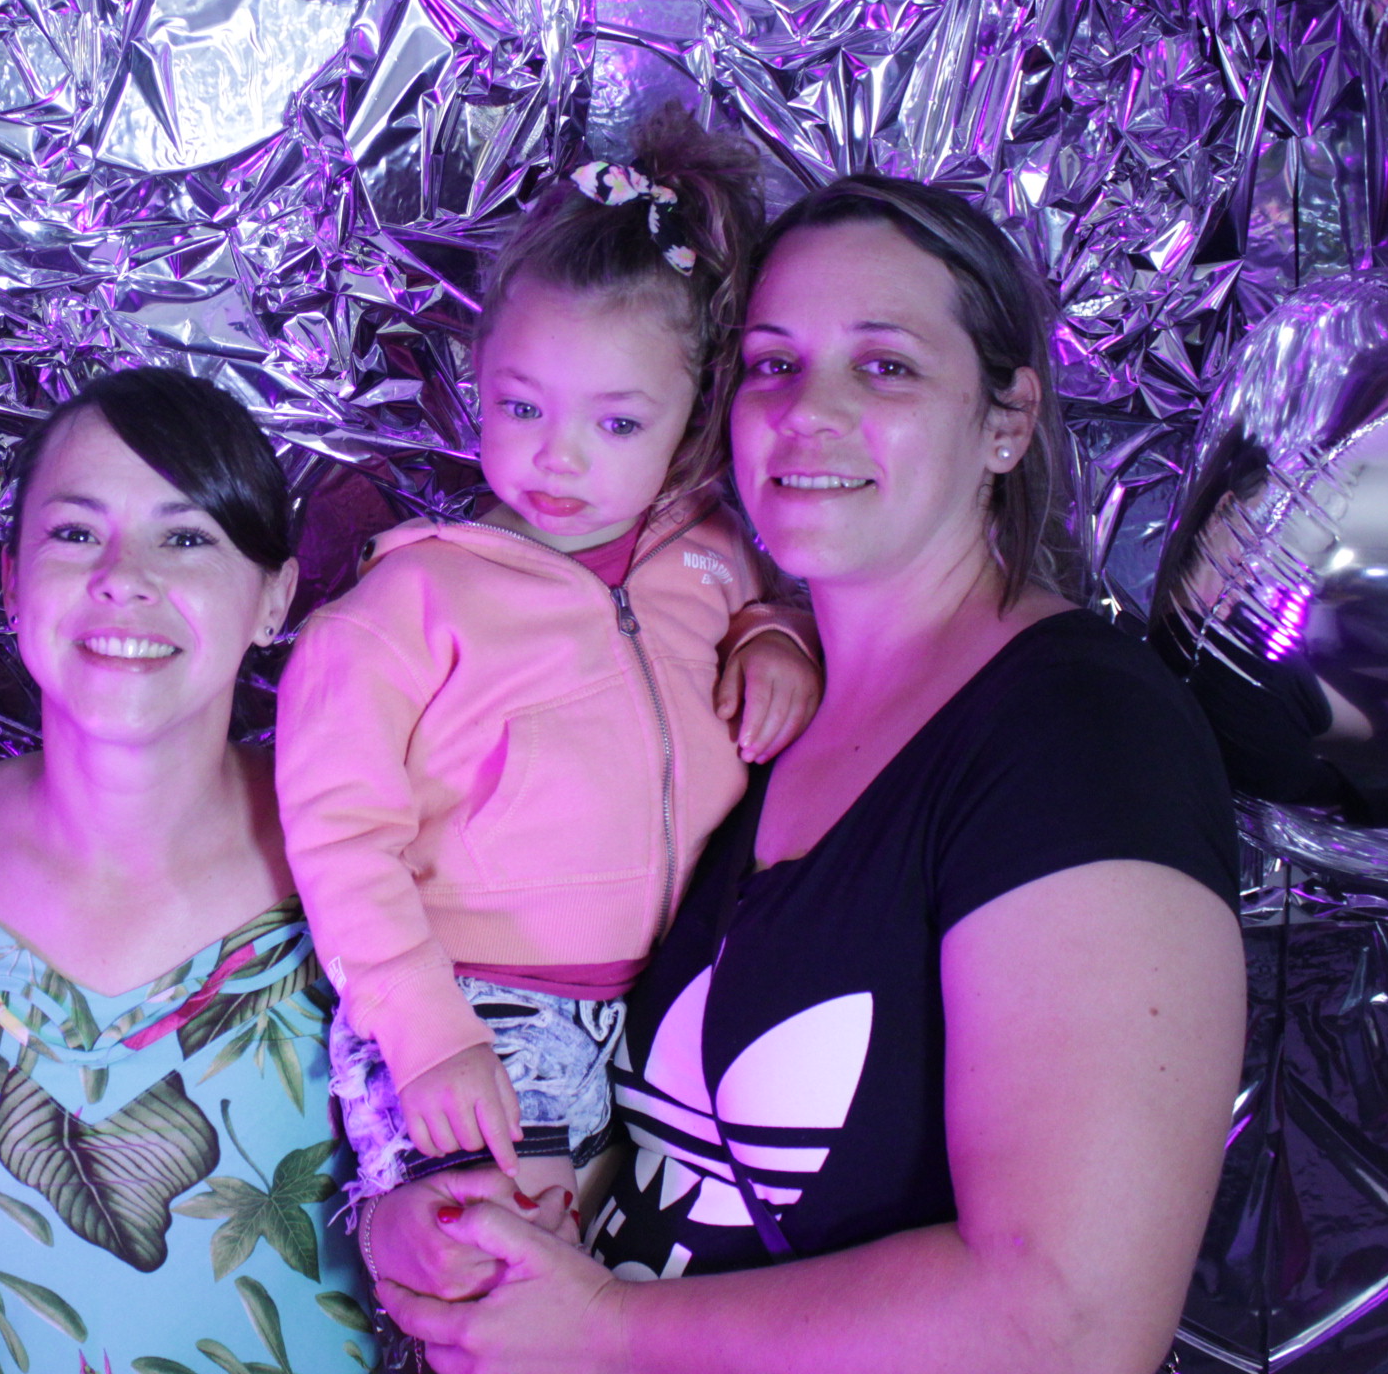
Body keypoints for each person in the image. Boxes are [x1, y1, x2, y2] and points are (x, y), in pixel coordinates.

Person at [368, 175, 1246, 1374]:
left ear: (1006, 421)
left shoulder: (1079, 730)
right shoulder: (744, 717)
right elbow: (643, 1146)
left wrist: (609, 1332)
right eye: (773, 365)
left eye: (885, 367)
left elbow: (1069, 1321)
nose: (807, 412)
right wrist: (442, 1217)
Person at [274, 108, 822, 1248]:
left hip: (667, 1000)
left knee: (643, 1278)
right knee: (502, 1273)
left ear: (693, 417)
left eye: (617, 422)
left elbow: (783, 606)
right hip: (474, 1005)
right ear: (478, 379)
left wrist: (778, 637)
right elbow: (339, 840)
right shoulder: (405, 609)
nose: (558, 456)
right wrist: (427, 1032)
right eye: (522, 407)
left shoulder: (715, 556)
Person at [0, 369, 376, 1374]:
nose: (124, 577)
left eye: (187, 538)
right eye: (77, 532)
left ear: (274, 597)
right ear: (12, 580)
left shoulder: (357, 853)